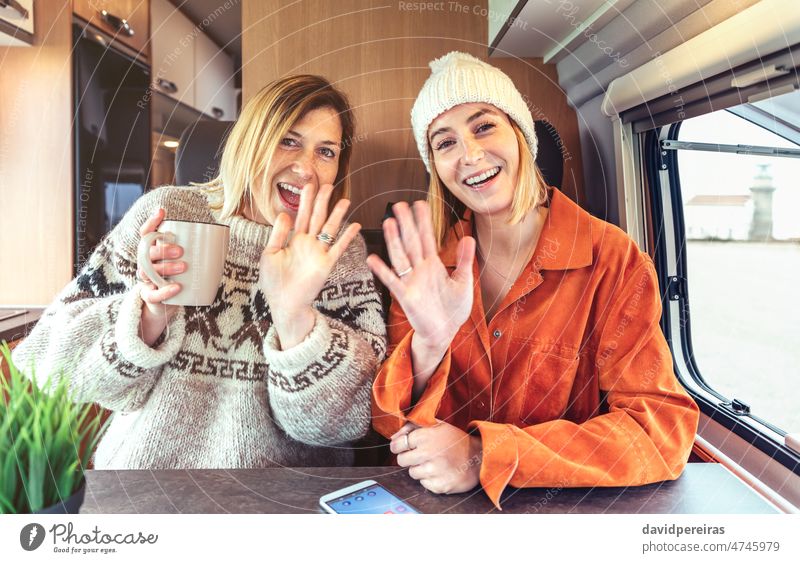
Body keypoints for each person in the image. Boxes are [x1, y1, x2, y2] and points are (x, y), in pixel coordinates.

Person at [368, 52, 699, 509]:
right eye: (445, 143)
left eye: (484, 126)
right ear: (436, 169)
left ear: (521, 135)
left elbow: (658, 430)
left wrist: (485, 454)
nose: (470, 154)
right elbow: (390, 422)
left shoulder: (612, 260)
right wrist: (427, 346)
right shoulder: (427, 264)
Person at [13, 75, 386, 469]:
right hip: (146, 493)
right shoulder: (170, 216)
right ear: (250, 143)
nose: (306, 168)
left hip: (274, 507)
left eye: (326, 151)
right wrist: (147, 315)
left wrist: (296, 319)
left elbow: (345, 422)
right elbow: (49, 363)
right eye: (288, 141)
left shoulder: (338, 253)